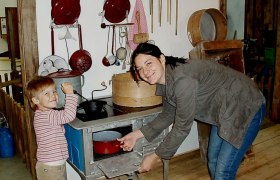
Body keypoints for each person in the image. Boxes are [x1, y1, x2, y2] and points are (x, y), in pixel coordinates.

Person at [117, 42, 266, 179]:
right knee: (213, 160)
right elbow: (169, 114)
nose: (145, 71)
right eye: (140, 68)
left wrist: (155, 156)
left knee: (223, 171)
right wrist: (136, 135)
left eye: (148, 63)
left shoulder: (182, 81)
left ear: (161, 59)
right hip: (225, 109)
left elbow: (182, 127)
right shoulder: (166, 79)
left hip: (245, 105)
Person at [26, 76, 78, 180]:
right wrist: (70, 94)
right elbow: (69, 115)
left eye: (54, 91)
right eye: (47, 93)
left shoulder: (42, 114)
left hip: (51, 166)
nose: (53, 95)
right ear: (36, 100)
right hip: (51, 168)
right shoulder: (48, 115)